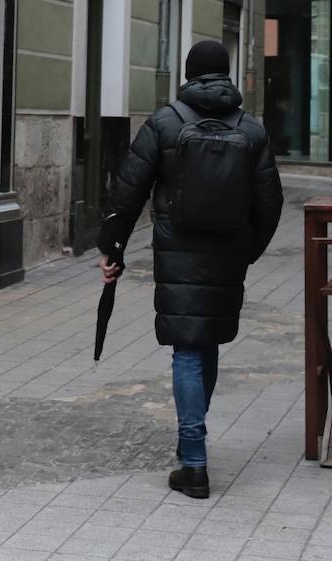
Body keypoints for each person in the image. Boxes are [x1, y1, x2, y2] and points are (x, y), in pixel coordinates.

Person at [98, 40, 283, 499]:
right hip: (227, 254)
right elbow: (271, 202)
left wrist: (113, 248)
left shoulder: (164, 122)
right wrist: (248, 250)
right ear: (226, 74)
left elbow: (128, 190)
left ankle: (194, 461)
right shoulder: (251, 130)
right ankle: (192, 445)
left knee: (187, 349)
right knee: (208, 345)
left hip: (177, 251)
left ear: (188, 72)